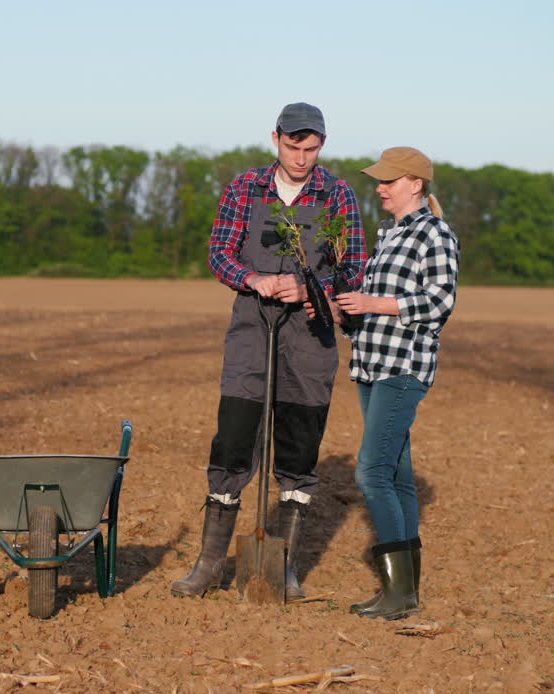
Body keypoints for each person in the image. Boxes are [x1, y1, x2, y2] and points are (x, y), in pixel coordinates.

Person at [171, 102, 366, 601]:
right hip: (251, 329)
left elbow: (353, 270)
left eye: (312, 148)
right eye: (293, 146)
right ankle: (211, 563)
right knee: (234, 439)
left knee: (300, 446)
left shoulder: (338, 194)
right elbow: (220, 252)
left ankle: (284, 567)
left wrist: (309, 289)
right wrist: (253, 278)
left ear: (322, 145)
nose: (302, 158)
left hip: (309, 335)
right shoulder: (245, 188)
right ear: (275, 139)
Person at [320, 146, 459, 620]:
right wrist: (345, 312)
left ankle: (398, 592)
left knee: (371, 472)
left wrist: (374, 304)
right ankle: (404, 592)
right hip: (372, 363)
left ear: (415, 184)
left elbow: (439, 302)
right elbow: (376, 305)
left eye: (389, 181)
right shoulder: (389, 234)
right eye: (378, 180)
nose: (379, 188)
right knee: (397, 476)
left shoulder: (434, 234)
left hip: (403, 367)